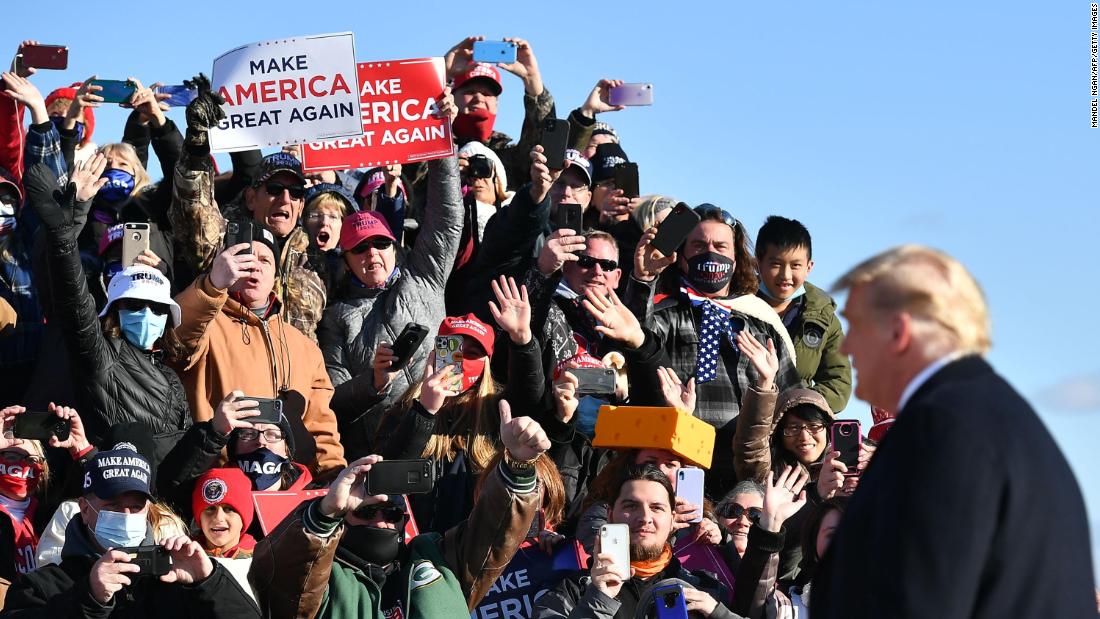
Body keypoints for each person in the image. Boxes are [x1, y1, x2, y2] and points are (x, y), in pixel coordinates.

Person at [817, 245, 1096, 617]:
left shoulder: (940, 430)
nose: (846, 347)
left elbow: (918, 602)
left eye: (855, 325)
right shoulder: (998, 419)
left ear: (899, 332)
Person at [247, 402, 550, 619]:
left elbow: (494, 533)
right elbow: (276, 578)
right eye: (366, 513)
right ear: (343, 520)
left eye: (391, 514)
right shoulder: (321, 580)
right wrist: (326, 510)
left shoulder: (439, 559)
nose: (380, 521)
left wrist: (517, 465)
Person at [23, 157, 192, 462]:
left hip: (153, 503)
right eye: (135, 304)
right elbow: (73, 297)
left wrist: (213, 433)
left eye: (156, 308)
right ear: (115, 309)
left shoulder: (172, 381)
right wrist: (65, 232)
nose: (146, 314)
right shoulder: (99, 353)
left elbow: (177, 465)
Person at [622, 206, 801, 493]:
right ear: (681, 258)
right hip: (680, 465)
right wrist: (643, 280)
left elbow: (794, 402)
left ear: (735, 257)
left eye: (720, 246)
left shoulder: (762, 325)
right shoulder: (665, 315)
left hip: (747, 473)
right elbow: (633, 341)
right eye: (699, 245)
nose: (710, 253)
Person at [316, 138, 462, 456]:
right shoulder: (335, 317)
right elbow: (332, 402)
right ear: (346, 260)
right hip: (384, 454)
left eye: (381, 243)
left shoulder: (424, 276)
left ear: (394, 246)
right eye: (360, 248)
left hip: (446, 438)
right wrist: (375, 381)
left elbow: (447, 221)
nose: (373, 254)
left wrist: (443, 147)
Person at [2, 446, 259, 616]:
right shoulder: (41, 587)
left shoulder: (174, 580)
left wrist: (209, 582)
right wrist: (88, 599)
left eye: (136, 507)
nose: (126, 516)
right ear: (84, 508)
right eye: (112, 505)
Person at [172, 229, 345, 478]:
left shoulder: (305, 346)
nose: (255, 266)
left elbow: (322, 427)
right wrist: (212, 285)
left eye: (265, 260)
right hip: (219, 483)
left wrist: (332, 479)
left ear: (275, 276)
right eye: (246, 258)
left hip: (286, 489)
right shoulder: (206, 324)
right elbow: (175, 339)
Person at [372, 287, 543, 532]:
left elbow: (530, 393)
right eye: (454, 350)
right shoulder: (403, 411)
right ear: (436, 354)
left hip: (473, 546)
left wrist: (522, 338)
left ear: (486, 363)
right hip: (414, 546)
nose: (462, 361)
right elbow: (385, 478)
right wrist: (424, 412)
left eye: (473, 353)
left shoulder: (497, 410)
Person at [169, 77, 327, 340]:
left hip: (295, 375)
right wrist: (197, 142)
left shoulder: (317, 256)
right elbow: (192, 209)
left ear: (301, 205)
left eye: (295, 193)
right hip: (236, 371)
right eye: (274, 189)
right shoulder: (227, 242)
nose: (285, 199)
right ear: (252, 197)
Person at [534, 463, 742, 619]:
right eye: (630, 506)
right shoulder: (570, 592)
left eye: (657, 508)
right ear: (610, 515)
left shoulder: (706, 591)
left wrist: (719, 614)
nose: (644, 517)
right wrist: (598, 600)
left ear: (672, 520)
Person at [754, 216, 850, 413]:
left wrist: (800, 405)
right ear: (758, 262)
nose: (786, 275)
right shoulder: (734, 304)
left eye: (795, 265)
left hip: (794, 431)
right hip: (740, 421)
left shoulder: (825, 318)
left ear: (809, 267)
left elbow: (838, 383)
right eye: (776, 264)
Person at [190, 467, 259, 607]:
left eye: (229, 509)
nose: (218, 518)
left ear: (244, 517)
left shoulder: (263, 560)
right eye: (210, 509)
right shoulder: (185, 557)